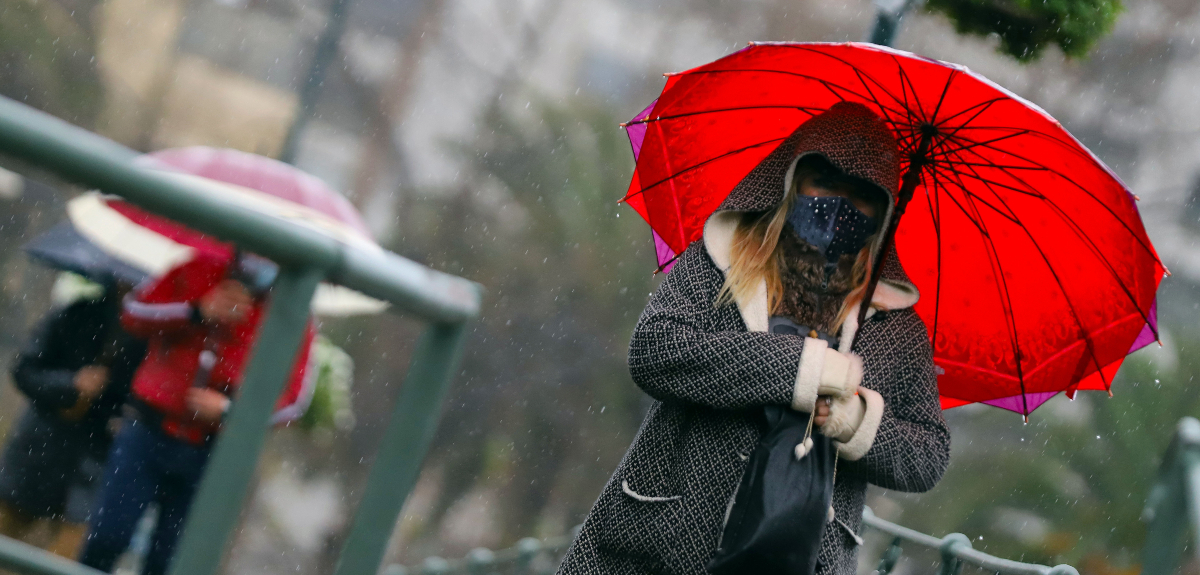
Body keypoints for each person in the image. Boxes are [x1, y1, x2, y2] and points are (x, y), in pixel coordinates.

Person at [557, 102, 951, 575]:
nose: (840, 204)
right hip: (664, 540)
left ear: (884, 211)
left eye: (861, 195)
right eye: (825, 181)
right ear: (793, 178)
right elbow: (655, 348)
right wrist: (797, 369)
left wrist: (851, 420)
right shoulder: (723, 258)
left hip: (801, 556)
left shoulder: (894, 325)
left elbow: (928, 455)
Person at [78, 253, 316, 575]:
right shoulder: (198, 268)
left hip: (213, 454)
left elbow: (295, 401)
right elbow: (134, 312)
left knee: (171, 562)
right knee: (107, 538)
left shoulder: (292, 312)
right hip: (147, 431)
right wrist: (196, 311)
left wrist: (232, 411)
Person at [0, 275, 145, 558]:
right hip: (39, 451)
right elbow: (24, 370)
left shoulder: (153, 339)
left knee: (67, 555)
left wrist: (126, 419)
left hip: (92, 467)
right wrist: (71, 384)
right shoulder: (76, 314)